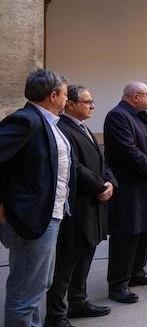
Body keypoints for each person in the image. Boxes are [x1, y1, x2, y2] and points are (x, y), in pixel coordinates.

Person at [0, 69, 73, 327]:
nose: (67, 100)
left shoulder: (48, 123)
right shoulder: (25, 121)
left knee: (39, 285)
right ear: (53, 96)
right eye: (65, 95)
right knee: (25, 293)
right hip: (32, 219)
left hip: (50, 216)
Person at [46, 85, 114, 326]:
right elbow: (74, 167)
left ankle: (78, 300)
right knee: (68, 261)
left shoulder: (83, 127)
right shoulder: (63, 129)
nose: (92, 106)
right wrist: (99, 186)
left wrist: (110, 183)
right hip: (78, 205)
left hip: (94, 202)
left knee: (86, 254)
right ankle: (55, 315)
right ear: (71, 104)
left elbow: (101, 160)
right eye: (87, 102)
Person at [104, 82, 147, 304]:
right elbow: (127, 151)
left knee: (144, 231)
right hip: (130, 186)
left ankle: (137, 273)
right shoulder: (118, 116)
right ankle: (118, 284)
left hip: (145, 183)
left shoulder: (139, 115)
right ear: (135, 96)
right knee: (127, 234)